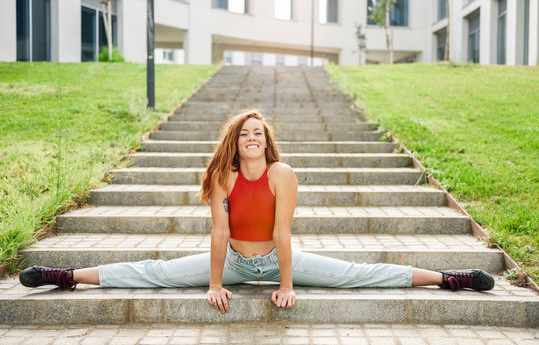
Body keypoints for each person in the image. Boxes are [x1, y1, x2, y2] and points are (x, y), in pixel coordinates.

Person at [19, 110, 494, 313]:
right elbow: (220, 232)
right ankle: (64, 276)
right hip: (235, 261)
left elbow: (282, 233)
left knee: (355, 272)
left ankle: (450, 278)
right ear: (235, 140)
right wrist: (214, 282)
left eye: (259, 134)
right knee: (155, 271)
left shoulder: (281, 174)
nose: (252, 138)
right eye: (245, 133)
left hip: (273, 257)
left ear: (267, 143)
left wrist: (286, 285)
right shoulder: (225, 177)